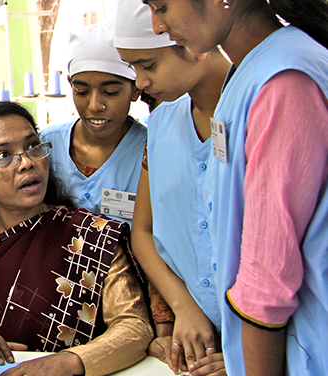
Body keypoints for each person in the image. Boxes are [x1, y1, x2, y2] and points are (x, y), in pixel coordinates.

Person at [144, 0, 328, 374]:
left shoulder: (283, 79)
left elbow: (268, 276)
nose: (157, 25)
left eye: (161, 6)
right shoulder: (251, 72)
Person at [0, 101, 152, 376]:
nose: (27, 163)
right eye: (4, 155)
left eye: (33, 147)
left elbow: (134, 327)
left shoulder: (91, 236)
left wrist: (69, 362)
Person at [114, 0, 231, 374]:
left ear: (191, 45)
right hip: (198, 334)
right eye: (132, 68)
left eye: (148, 65)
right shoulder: (162, 125)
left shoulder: (253, 108)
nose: (141, 83)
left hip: (269, 332)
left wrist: (247, 354)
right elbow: (142, 232)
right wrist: (185, 307)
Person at [40, 21, 145, 226]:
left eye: (110, 92)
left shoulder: (149, 151)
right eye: (82, 91)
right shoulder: (47, 145)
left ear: (135, 89)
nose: (95, 105)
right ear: (70, 84)